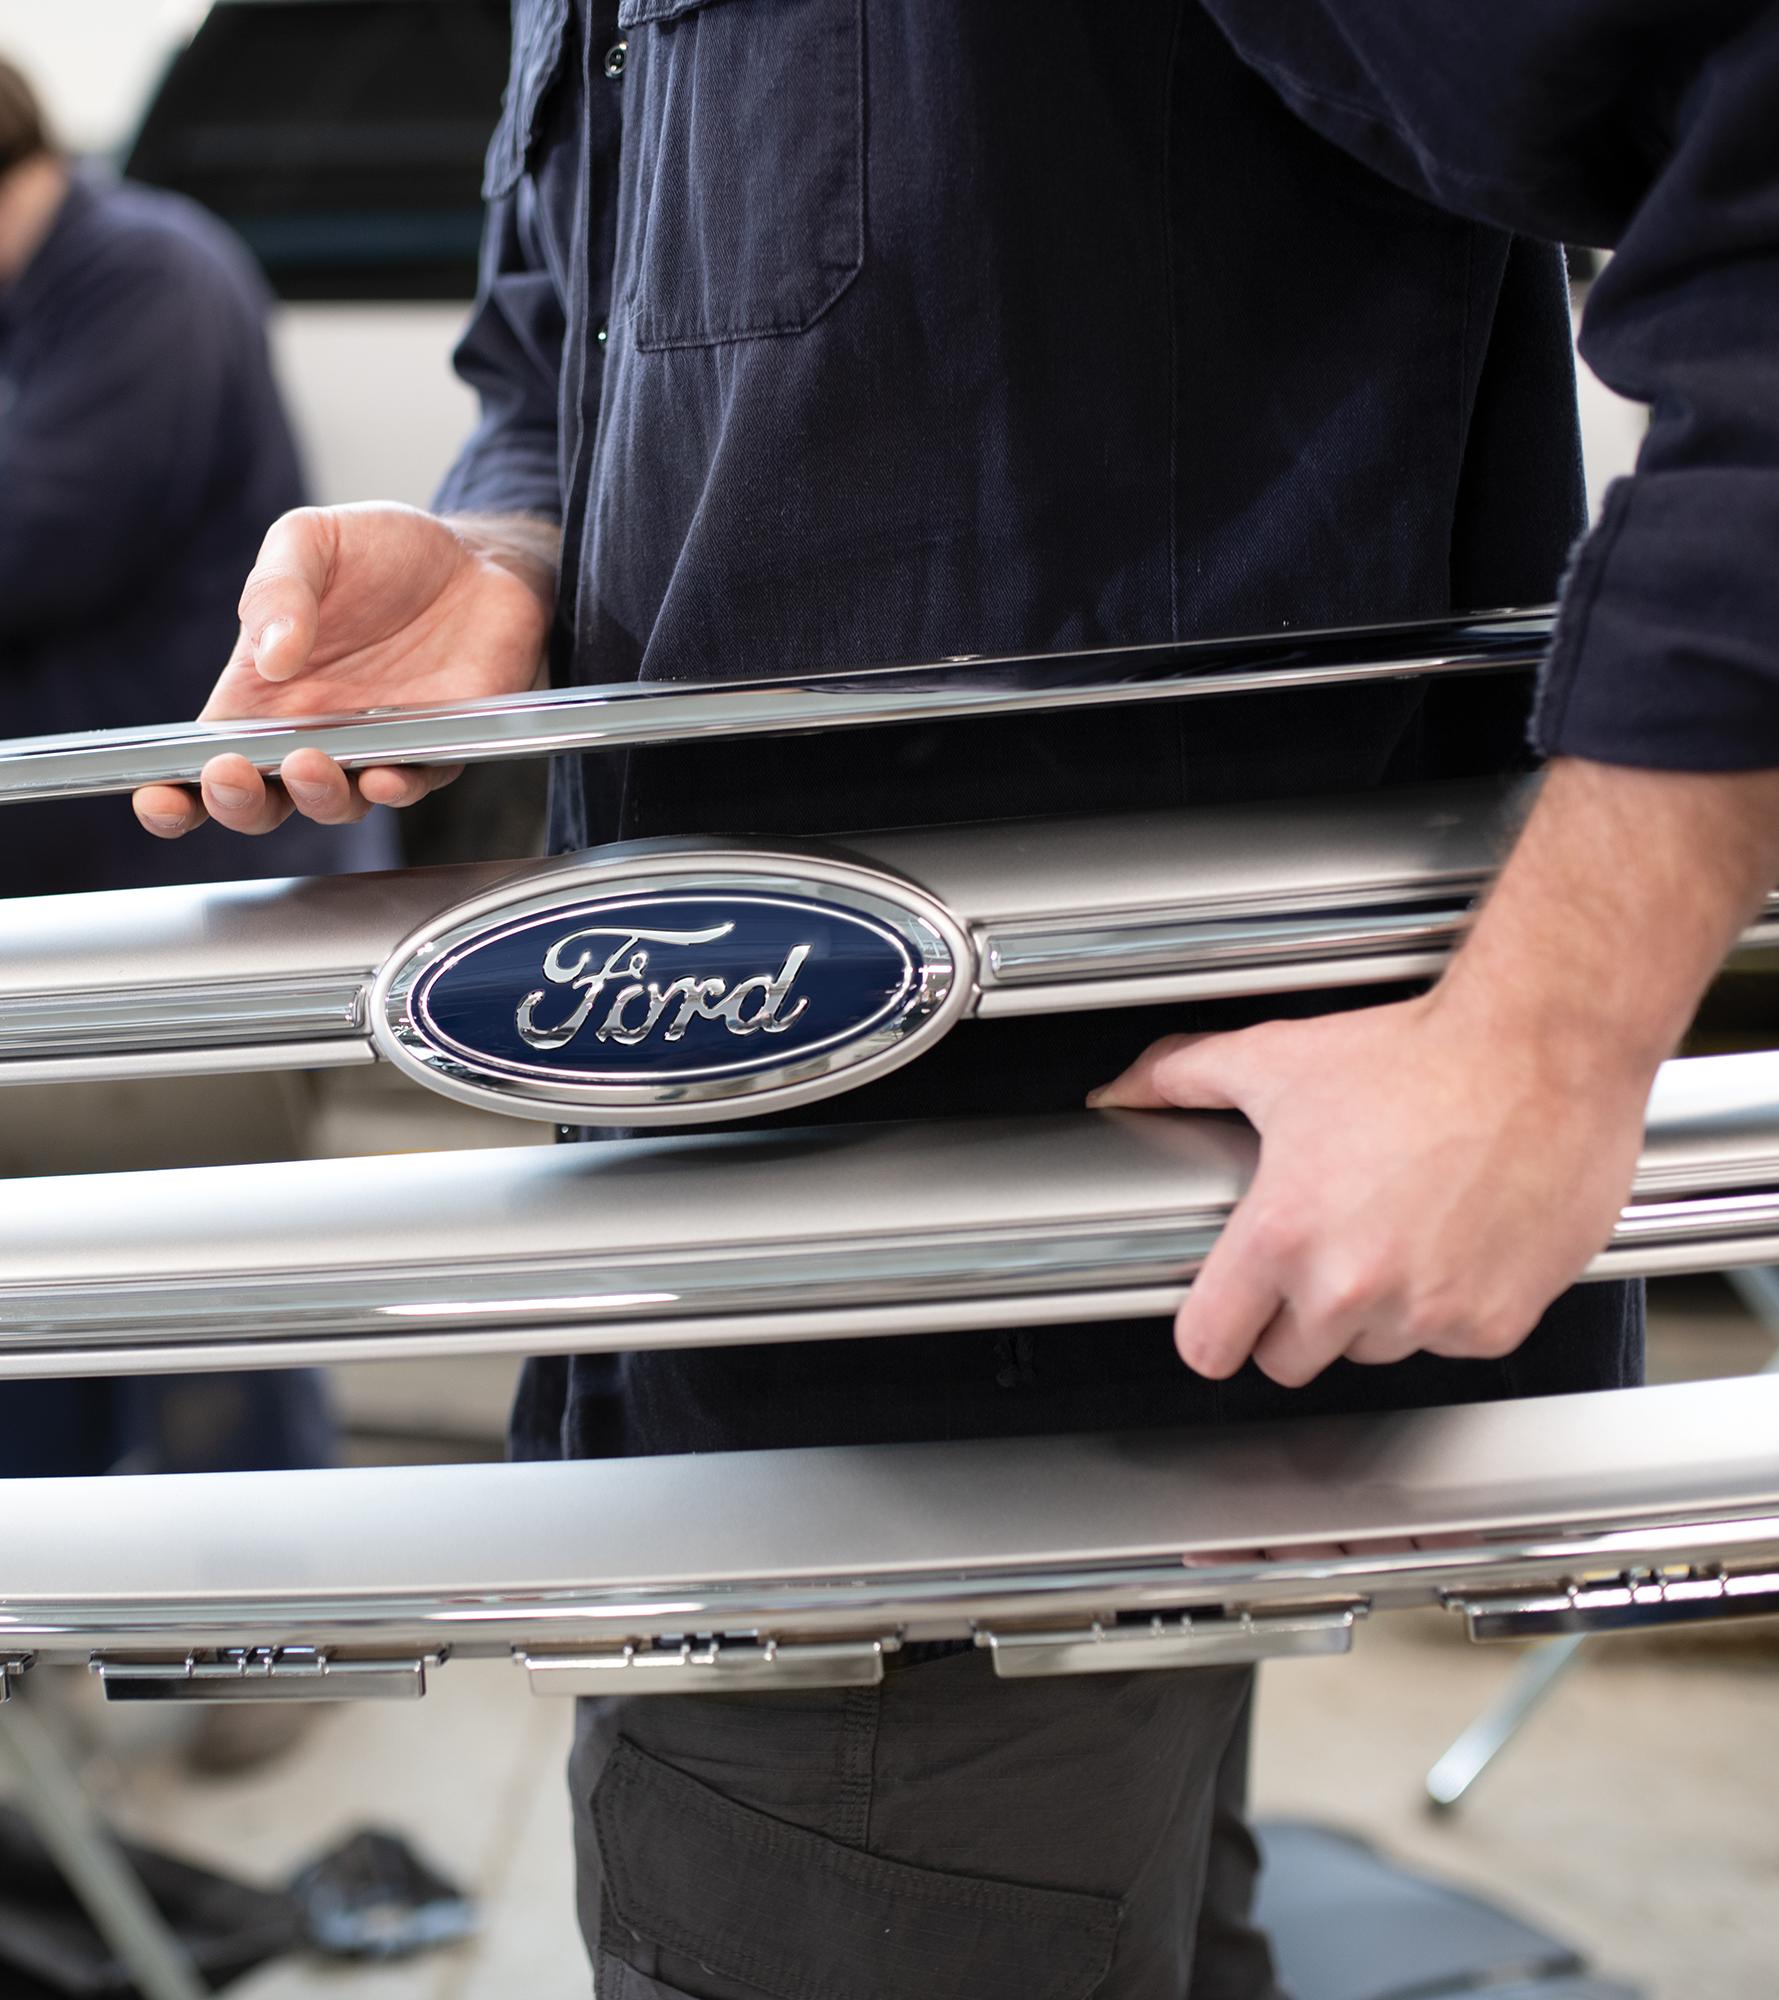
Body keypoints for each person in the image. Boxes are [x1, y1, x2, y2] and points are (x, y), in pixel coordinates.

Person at [133, 4, 1779, 1992]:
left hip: (1036, 1374)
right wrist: (506, 543)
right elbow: (561, 347)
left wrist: (1552, 1029)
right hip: (763, 1321)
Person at [0, 55, 375, 1731]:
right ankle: (66, 1641)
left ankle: (258, 1669)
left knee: (199, 1288)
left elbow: (32, 540)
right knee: (46, 1299)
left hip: (199, 915)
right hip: (70, 919)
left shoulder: (141, 275)